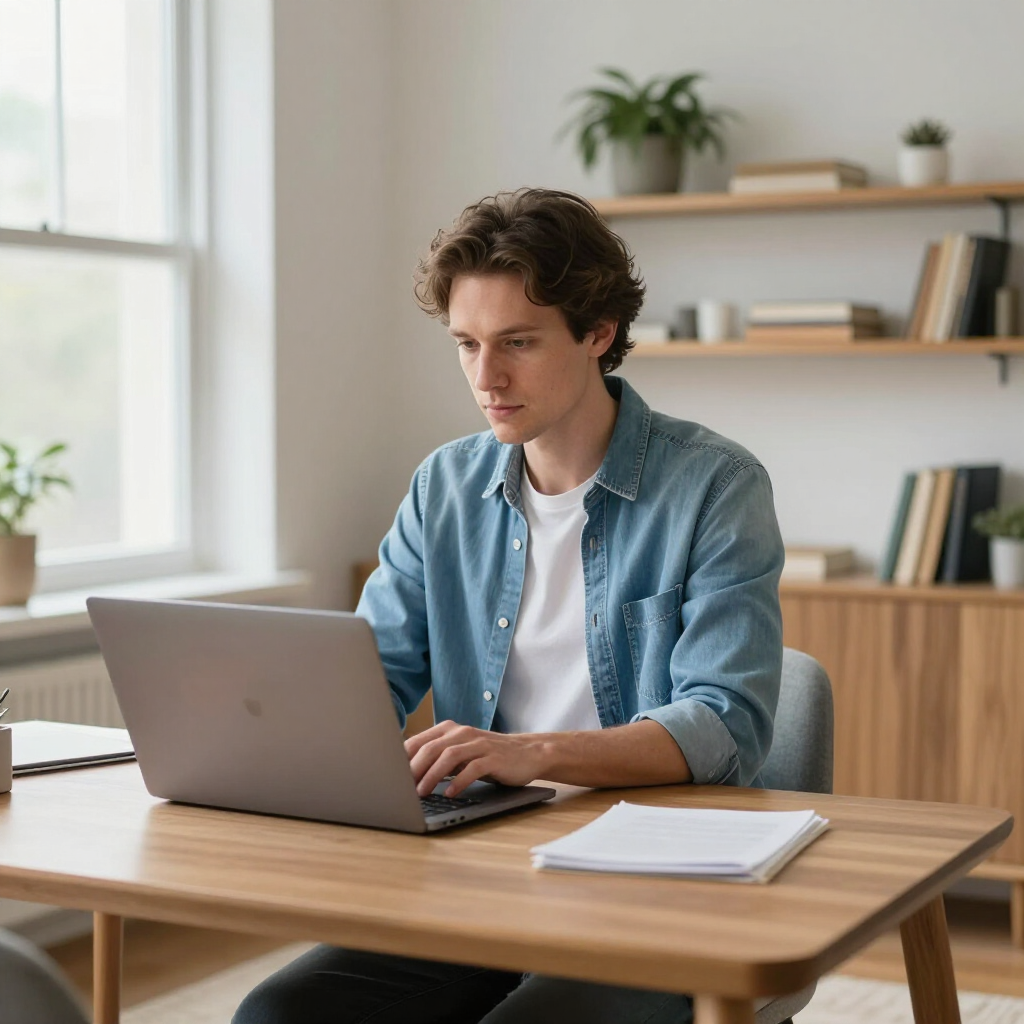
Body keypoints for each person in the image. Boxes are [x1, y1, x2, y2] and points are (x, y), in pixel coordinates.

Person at [233, 187, 784, 1024]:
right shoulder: (444, 486)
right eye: (466, 344)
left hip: (653, 885)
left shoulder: (714, 486)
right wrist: (275, 736)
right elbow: (368, 677)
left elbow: (726, 723)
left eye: (517, 343)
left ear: (598, 334)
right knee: (280, 1015)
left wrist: (532, 753)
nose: (485, 378)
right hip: (474, 872)